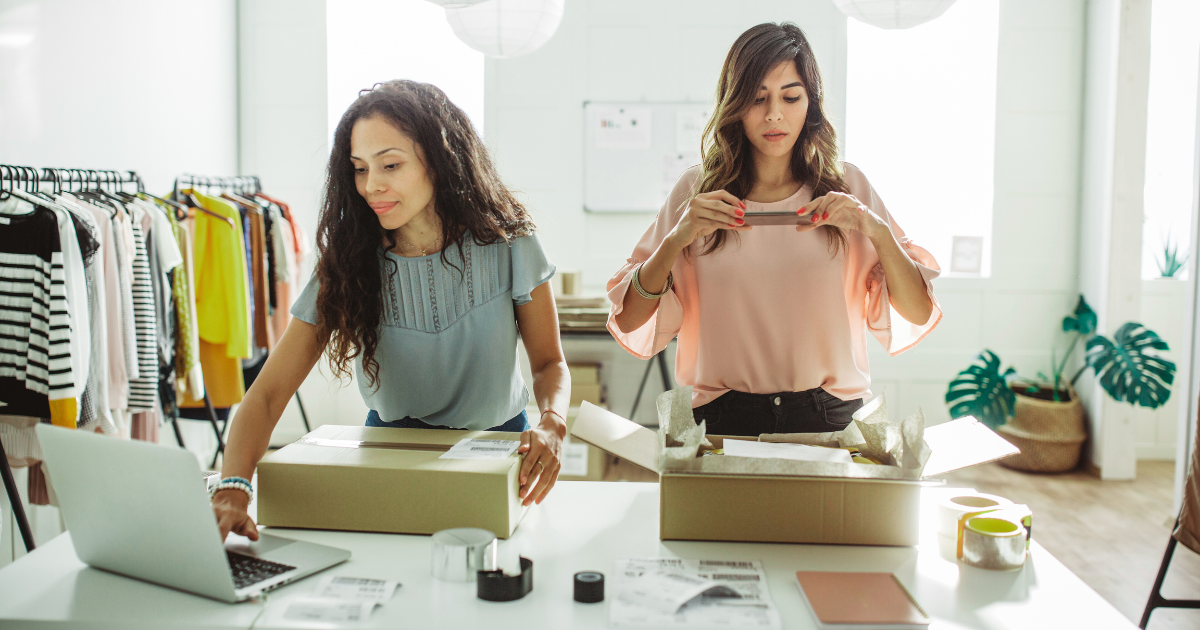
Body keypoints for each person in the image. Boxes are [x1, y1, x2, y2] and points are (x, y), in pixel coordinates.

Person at [212, 81, 570, 540]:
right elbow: (266, 395)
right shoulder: (347, 261)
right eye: (360, 169)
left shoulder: (510, 241)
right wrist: (234, 486)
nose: (371, 185)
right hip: (388, 449)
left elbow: (549, 363)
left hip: (499, 449)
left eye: (391, 165)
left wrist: (553, 423)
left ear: (440, 159)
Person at [608, 23, 941, 437]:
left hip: (830, 416)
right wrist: (676, 239)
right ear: (735, 103)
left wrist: (876, 230)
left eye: (790, 96)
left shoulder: (848, 187)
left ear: (811, 103)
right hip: (722, 418)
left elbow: (918, 311)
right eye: (757, 97)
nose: (774, 114)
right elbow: (629, 321)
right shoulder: (696, 192)